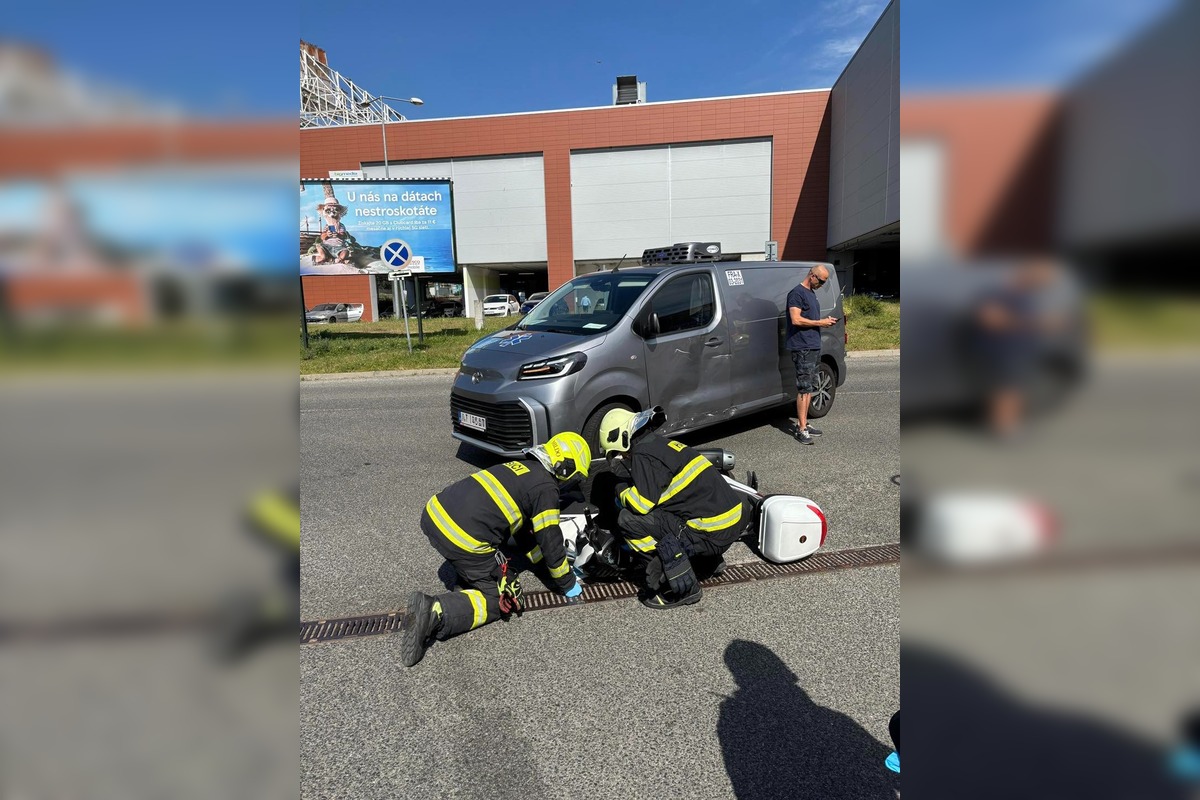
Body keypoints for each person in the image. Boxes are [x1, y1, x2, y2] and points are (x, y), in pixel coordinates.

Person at [400, 432, 592, 667]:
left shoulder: (520, 467)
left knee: (491, 553)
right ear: (566, 469)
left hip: (434, 514)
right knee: (501, 598)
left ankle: (469, 579)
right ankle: (435, 612)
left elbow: (521, 529)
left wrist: (534, 561)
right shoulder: (546, 488)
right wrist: (567, 583)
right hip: (462, 537)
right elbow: (550, 539)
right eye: (574, 479)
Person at [597, 408, 749, 609]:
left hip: (710, 532)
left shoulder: (642, 454)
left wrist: (620, 490)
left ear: (623, 438)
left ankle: (678, 580)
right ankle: (707, 563)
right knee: (666, 516)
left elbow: (641, 504)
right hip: (729, 523)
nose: (622, 457)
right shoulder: (658, 444)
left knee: (628, 519)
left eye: (618, 452)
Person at [786, 265, 838, 445]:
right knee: (803, 388)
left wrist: (825, 323)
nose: (822, 285)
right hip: (803, 347)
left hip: (813, 346)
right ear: (812, 275)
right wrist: (820, 322)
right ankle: (801, 430)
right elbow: (796, 319)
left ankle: (804, 424)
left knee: (809, 388)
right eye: (821, 281)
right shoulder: (796, 293)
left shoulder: (811, 293)